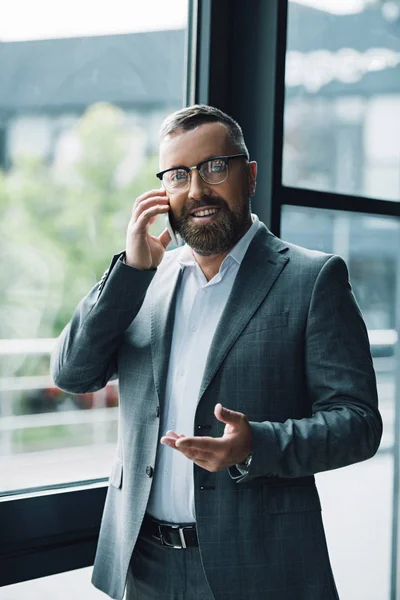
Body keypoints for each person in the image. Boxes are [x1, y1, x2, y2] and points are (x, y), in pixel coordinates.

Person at [51, 104, 382, 600]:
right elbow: (73, 373)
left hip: (260, 568)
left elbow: (358, 423)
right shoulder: (145, 279)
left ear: (248, 175)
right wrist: (129, 273)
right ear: (163, 191)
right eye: (179, 174)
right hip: (144, 568)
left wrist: (257, 445)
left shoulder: (313, 279)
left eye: (214, 167)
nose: (197, 189)